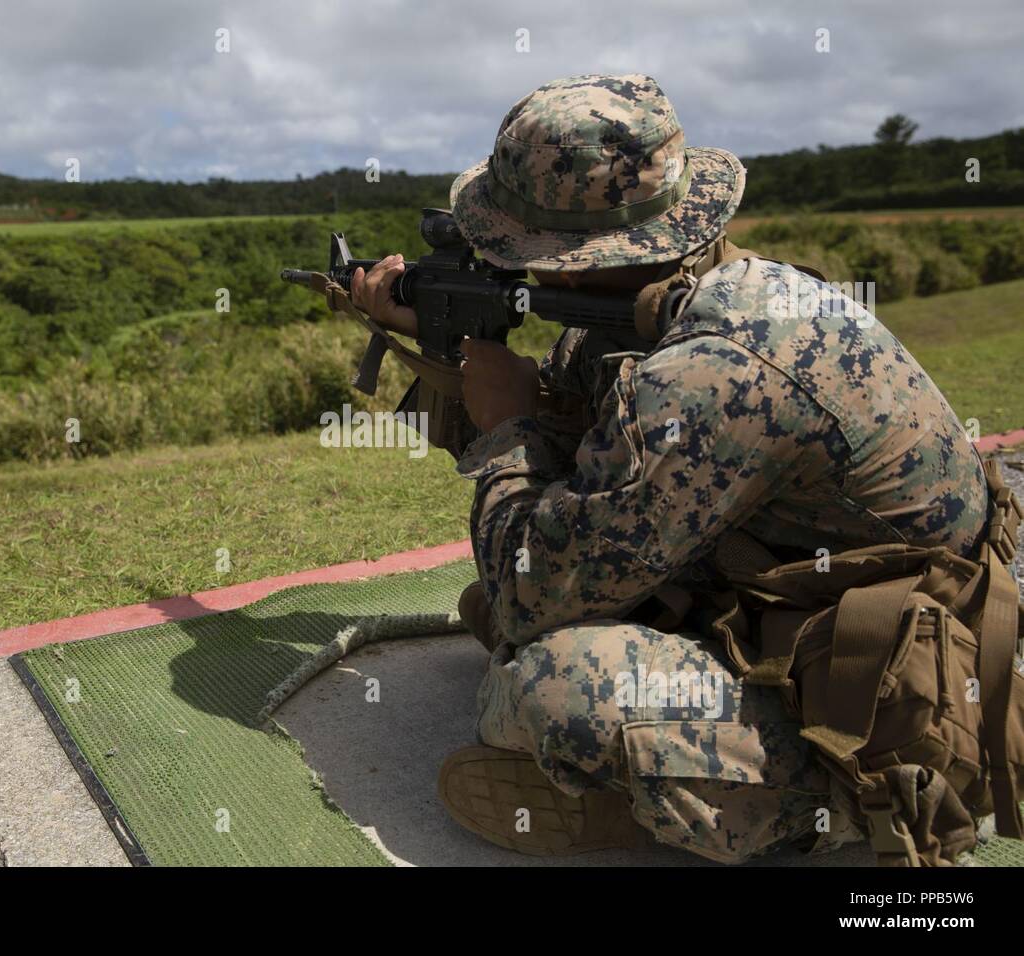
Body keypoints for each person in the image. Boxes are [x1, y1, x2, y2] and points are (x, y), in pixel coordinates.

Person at [349, 73, 997, 863]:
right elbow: (601, 441)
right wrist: (444, 335)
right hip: (810, 603)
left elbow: (529, 597)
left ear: (577, 258)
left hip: (902, 694)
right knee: (494, 605)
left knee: (550, 685)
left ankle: (827, 806)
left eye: (519, 249)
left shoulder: (713, 369)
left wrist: (507, 429)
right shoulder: (704, 290)